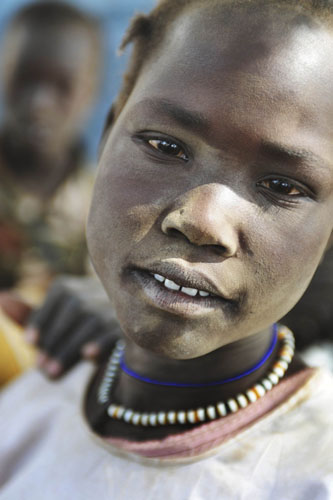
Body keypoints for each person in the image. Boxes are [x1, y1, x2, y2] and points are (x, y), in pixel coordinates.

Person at [0, 0, 333, 498]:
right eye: (165, 147)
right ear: (108, 132)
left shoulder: (312, 472)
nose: (201, 221)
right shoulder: (29, 398)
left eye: (282, 186)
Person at [0, 1, 101, 291]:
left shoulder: (100, 207)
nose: (39, 104)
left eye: (62, 85)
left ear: (90, 92)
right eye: (25, 79)